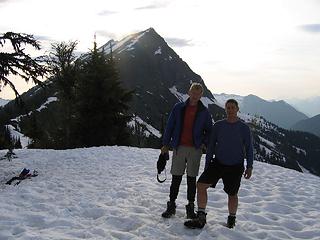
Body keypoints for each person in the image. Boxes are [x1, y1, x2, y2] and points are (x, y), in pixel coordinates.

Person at [184, 98, 253, 229]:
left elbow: (249, 148)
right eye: (228, 107)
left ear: (237, 109)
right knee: (201, 185)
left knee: (232, 193)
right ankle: (201, 216)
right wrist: (207, 163)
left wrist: (249, 166)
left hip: (236, 165)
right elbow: (211, 146)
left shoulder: (244, 128)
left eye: (233, 107)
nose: (230, 110)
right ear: (225, 109)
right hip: (218, 163)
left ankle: (231, 219)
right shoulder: (218, 126)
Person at [161, 83, 212, 219]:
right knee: (176, 178)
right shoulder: (178, 108)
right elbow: (170, 126)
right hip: (179, 147)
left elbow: (209, 131)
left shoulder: (204, 111)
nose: (195, 96)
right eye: (193, 92)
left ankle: (190, 207)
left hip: (195, 149)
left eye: (198, 93)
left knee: (191, 179)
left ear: (201, 95)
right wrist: (165, 144)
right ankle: (171, 205)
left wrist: (203, 144)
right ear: (189, 93)